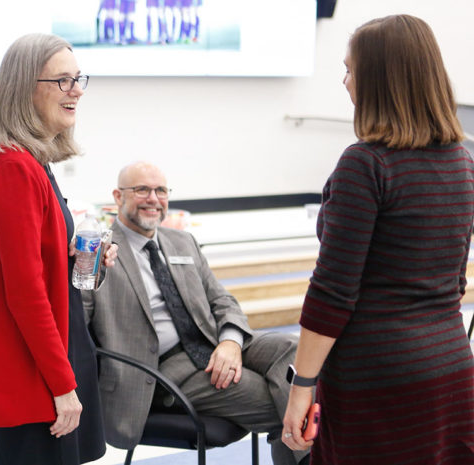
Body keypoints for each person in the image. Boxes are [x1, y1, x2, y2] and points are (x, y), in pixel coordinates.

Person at [281, 15, 474, 465]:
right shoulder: (462, 162)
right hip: (450, 367)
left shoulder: (365, 164)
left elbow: (332, 293)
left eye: (351, 70)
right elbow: (453, 280)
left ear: (381, 79)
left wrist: (302, 385)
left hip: (377, 376)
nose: (346, 83)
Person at [82, 161, 310, 465]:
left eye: (160, 190)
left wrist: (230, 342)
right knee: (288, 403)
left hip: (212, 343)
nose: (153, 198)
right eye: (142, 190)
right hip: (161, 369)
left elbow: (222, 299)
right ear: (118, 196)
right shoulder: (100, 251)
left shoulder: (182, 241)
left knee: (292, 350)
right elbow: (79, 323)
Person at [0, 33, 117, 465]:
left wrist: (71, 255)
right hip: (34, 376)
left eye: (78, 78)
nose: (77, 90)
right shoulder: (11, 167)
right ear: (24, 87)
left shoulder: (34, 161)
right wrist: (61, 384)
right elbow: (24, 292)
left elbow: (35, 265)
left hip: (54, 359)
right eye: (62, 81)